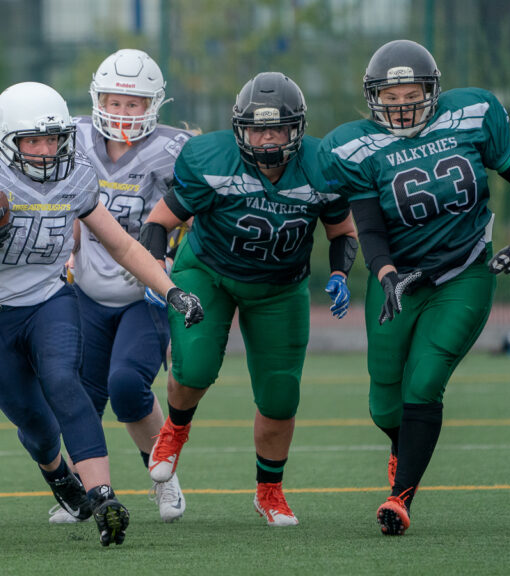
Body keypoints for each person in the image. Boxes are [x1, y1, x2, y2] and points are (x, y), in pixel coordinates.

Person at [0, 81, 204, 546]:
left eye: (53, 139)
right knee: (37, 426)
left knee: (66, 381)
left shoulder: (77, 174)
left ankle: (104, 496)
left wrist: (170, 290)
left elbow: (123, 243)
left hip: (50, 300)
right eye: (33, 140)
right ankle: (58, 476)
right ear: (7, 140)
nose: (47, 150)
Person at [318, 39, 510, 536]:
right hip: (399, 279)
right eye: (392, 95)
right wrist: (384, 274)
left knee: (424, 382)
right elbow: (370, 226)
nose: (402, 105)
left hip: (464, 270)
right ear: (373, 97)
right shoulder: (356, 147)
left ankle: (400, 497)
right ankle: (403, 450)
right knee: (384, 403)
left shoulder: (471, 115)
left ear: (433, 92)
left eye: (412, 94)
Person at [144, 72, 357, 527]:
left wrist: (340, 270)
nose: (266, 138)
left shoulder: (324, 166)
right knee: (197, 365)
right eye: (258, 128)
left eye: (277, 128)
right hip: (208, 273)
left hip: (280, 287)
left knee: (281, 396)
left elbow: (342, 230)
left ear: (296, 130)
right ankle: (174, 430)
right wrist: (156, 266)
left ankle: (270, 492)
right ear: (240, 129)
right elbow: (159, 221)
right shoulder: (212, 159)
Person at [50, 48, 193, 524]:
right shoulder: (72, 138)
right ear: (97, 99)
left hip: (144, 292)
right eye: (114, 101)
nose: (122, 112)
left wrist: (169, 256)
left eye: (134, 104)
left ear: (153, 104)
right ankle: (88, 494)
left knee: (128, 386)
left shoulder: (174, 150)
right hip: (88, 288)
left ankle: (163, 473)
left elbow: (199, 211)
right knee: (79, 396)